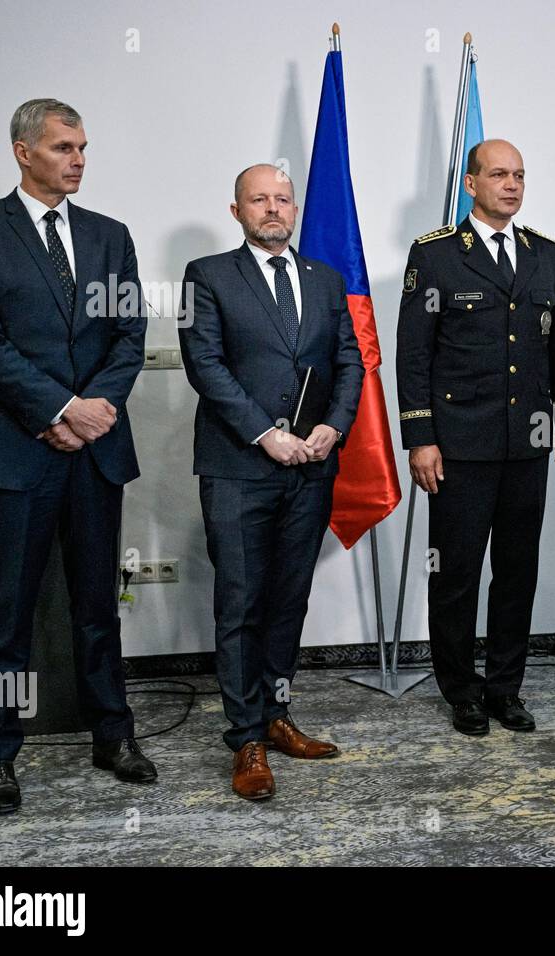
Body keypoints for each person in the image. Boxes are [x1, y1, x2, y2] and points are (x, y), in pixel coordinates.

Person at [0, 98, 155, 814]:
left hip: (94, 451)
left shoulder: (109, 235)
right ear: (23, 151)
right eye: (65, 147)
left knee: (98, 603)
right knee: (8, 609)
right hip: (17, 449)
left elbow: (129, 334)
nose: (79, 160)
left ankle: (112, 734)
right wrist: (59, 410)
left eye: (84, 147)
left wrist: (91, 413)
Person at [179, 164, 363, 799]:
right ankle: (246, 740)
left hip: (311, 466)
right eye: (259, 199)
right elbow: (204, 363)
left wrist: (334, 428)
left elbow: (349, 360)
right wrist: (266, 433)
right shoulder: (207, 276)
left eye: (282, 199)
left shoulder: (325, 279)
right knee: (241, 602)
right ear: (237, 211)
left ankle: (277, 715)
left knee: (288, 599)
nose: (273, 208)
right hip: (240, 466)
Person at [395, 139, 555, 737]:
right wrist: (420, 438)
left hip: (525, 442)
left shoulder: (542, 254)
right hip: (460, 444)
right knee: (456, 575)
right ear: (471, 184)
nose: (512, 185)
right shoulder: (438, 255)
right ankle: (462, 691)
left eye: (520, 175)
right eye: (499, 174)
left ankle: (505, 688)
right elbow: (412, 354)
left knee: (517, 571)